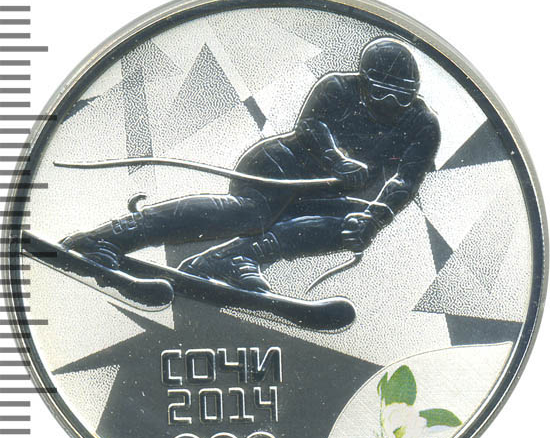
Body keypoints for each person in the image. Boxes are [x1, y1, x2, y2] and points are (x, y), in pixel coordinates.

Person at [61, 37, 441, 293]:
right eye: (380, 92)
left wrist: (375, 218)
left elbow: (406, 181)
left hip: (322, 196)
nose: (390, 105)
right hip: (279, 167)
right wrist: (336, 160)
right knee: (251, 213)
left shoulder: (423, 124)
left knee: (352, 226)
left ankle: (235, 258)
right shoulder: (338, 88)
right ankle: (106, 237)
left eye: (402, 96)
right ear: (364, 80)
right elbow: (311, 127)